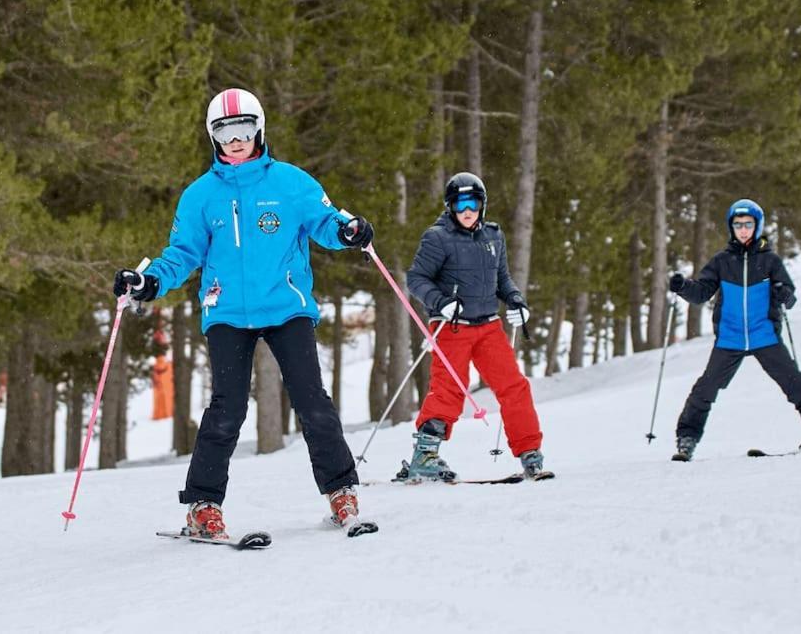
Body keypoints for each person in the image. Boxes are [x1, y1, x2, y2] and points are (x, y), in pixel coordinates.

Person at [113, 88, 378, 537]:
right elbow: (181, 253)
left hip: (285, 305)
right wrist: (150, 281)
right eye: (224, 132)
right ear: (213, 137)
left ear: (259, 130)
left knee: (312, 400)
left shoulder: (291, 183)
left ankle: (341, 493)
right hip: (228, 312)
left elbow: (325, 223)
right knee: (227, 408)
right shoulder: (200, 195)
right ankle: (202, 506)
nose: (235, 141)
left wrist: (349, 231)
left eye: (243, 130)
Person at [669, 198, 801, 461]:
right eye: (738, 224)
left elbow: (790, 297)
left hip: (764, 334)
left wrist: (782, 293)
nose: (743, 229)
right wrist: (683, 286)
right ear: (731, 228)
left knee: (794, 382)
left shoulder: (770, 261)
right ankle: (687, 439)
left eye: (748, 224)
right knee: (705, 389)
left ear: (757, 226)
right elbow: (702, 293)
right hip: (730, 337)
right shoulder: (721, 261)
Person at [399, 172, 544, 481]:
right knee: (449, 390)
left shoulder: (494, 235)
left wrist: (516, 301)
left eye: (474, 203)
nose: (467, 210)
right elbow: (417, 279)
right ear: (450, 206)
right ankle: (425, 454)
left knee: (514, 386)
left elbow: (502, 279)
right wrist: (441, 302)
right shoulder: (437, 237)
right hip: (452, 327)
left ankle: (530, 452)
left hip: (489, 326)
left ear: (482, 205)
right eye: (461, 203)